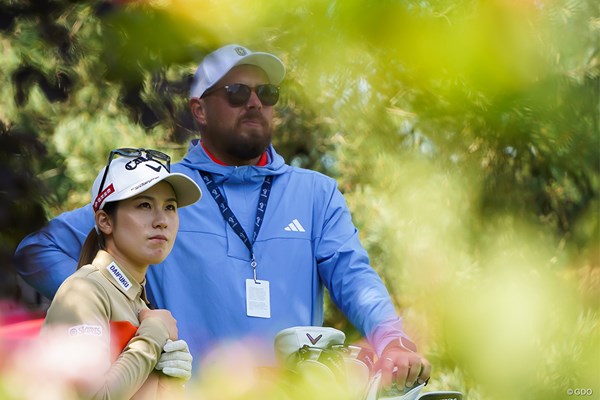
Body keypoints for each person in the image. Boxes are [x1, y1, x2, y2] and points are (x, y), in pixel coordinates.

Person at [15, 44, 431, 390]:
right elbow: (37, 250)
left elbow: (354, 276)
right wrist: (120, 311)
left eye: (266, 93)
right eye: (235, 92)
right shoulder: (162, 190)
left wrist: (392, 340)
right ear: (200, 110)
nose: (254, 103)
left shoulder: (315, 193)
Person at [39, 148, 201, 399]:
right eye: (144, 205)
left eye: (170, 207)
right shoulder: (84, 291)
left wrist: (169, 384)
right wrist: (154, 334)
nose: (162, 220)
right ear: (105, 221)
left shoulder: (137, 301)